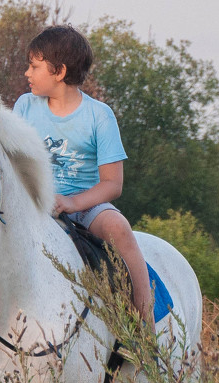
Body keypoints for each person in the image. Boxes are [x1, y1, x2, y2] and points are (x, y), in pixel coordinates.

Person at [13, 25, 154, 327]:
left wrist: (72, 202)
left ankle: (145, 329)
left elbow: (113, 184)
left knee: (120, 227)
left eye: (34, 66)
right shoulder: (25, 107)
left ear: (59, 71)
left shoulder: (99, 116)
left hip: (85, 205)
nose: (27, 73)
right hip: (36, 204)